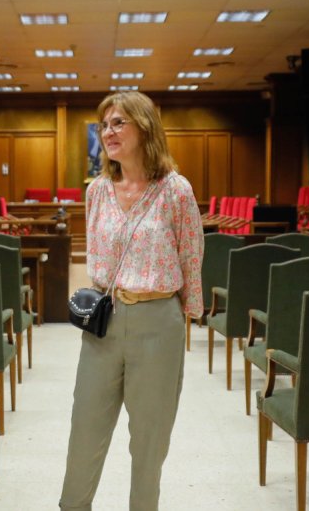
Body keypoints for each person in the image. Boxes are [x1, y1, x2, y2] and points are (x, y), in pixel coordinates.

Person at [60, 90, 203, 511]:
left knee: (149, 439)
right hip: (106, 321)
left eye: (119, 122)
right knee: (85, 427)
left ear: (145, 127)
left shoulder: (175, 190)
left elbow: (191, 254)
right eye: (105, 124)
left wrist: (190, 315)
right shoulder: (98, 191)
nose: (108, 131)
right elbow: (98, 257)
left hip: (159, 321)